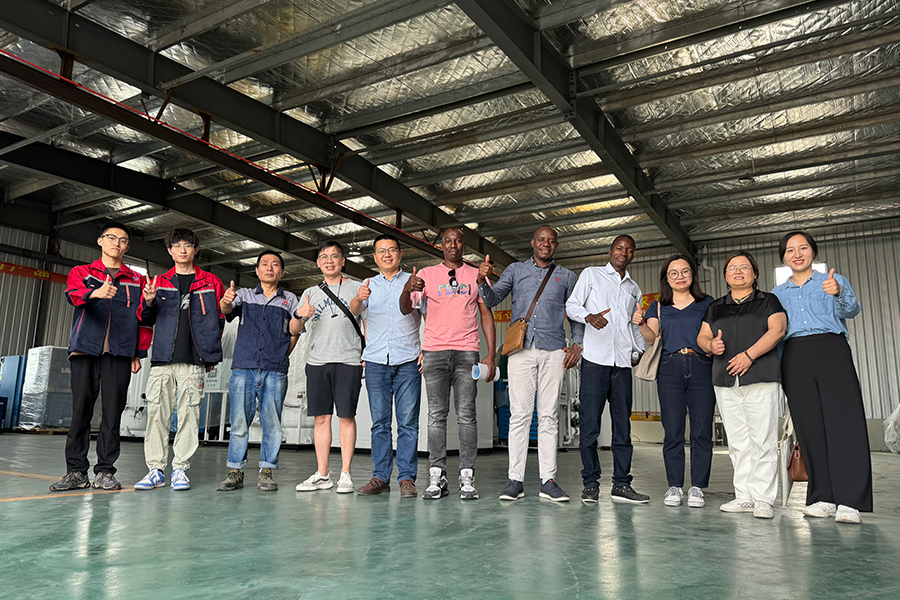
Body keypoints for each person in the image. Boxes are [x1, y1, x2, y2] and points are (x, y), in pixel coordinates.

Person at [477, 226, 583, 502]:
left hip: (554, 351)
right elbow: (491, 299)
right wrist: (481, 280)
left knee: (549, 416)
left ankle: (549, 481)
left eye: (551, 241)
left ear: (556, 245)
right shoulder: (515, 270)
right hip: (520, 350)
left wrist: (577, 344)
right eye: (541, 240)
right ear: (533, 242)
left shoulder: (567, 276)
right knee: (520, 416)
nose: (546, 244)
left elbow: (575, 315)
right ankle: (515, 481)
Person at [772, 231, 871, 524]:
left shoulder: (833, 281)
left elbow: (851, 310)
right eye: (790, 250)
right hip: (795, 355)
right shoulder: (777, 294)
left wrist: (838, 293)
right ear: (784, 258)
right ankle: (822, 497)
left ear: (813, 252)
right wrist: (781, 371)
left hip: (831, 349)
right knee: (809, 427)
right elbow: (778, 333)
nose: (797, 254)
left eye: (803, 248)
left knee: (845, 423)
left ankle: (849, 501)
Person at [50, 222, 152, 492]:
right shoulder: (82, 272)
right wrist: (95, 293)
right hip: (85, 348)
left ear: (127, 247)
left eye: (123, 240)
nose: (117, 243)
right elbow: (73, 295)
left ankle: (105, 471)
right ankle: (76, 471)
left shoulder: (137, 280)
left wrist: (138, 352)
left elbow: (143, 320)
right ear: (100, 241)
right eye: (111, 237)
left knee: (112, 413)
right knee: (80, 411)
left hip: (120, 353)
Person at [399, 227, 496, 500]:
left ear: (464, 245)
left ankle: (467, 476)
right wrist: (407, 288)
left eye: (458, 241)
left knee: (466, 415)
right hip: (434, 352)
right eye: (448, 241)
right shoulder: (427, 275)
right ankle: (437, 476)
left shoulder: (476, 274)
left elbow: (486, 314)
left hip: (467, 352)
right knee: (436, 416)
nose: (453, 245)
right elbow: (406, 308)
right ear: (441, 245)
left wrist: (491, 354)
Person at [134, 228, 226, 492]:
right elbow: (144, 318)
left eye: (188, 245)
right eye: (177, 245)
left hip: (193, 360)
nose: (183, 249)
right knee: (157, 416)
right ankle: (155, 470)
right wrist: (148, 301)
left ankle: (180, 470)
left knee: (189, 415)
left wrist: (210, 353)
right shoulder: (159, 282)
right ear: (170, 250)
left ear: (195, 250)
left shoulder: (211, 282)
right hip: (163, 359)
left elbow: (219, 320)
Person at [697, 250, 786, 519]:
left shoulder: (768, 301)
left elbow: (778, 330)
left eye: (744, 267)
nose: (738, 271)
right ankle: (744, 496)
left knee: (763, 440)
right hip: (725, 380)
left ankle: (763, 499)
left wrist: (749, 355)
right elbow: (702, 337)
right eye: (732, 268)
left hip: (760, 377)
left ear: (754, 274)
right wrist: (710, 345)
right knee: (737, 442)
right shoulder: (716, 307)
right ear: (725, 276)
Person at [566, 234, 649, 504]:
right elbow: (571, 306)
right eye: (619, 248)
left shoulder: (634, 288)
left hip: (622, 364)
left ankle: (622, 485)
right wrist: (589, 317)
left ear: (633, 254)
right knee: (589, 426)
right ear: (610, 250)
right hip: (595, 362)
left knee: (622, 427)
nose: (624, 253)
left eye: (629, 250)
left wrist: (639, 351)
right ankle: (590, 483)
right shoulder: (591, 275)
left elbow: (633, 325)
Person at [633, 254, 714, 508]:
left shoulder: (707, 303)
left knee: (702, 429)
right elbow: (651, 338)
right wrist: (641, 324)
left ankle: (698, 486)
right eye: (673, 273)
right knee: (673, 429)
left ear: (693, 275)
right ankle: (675, 486)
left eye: (685, 271)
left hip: (702, 366)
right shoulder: (658, 306)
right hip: (669, 367)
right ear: (666, 279)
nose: (680, 277)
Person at [216, 251, 299, 492]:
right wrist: (225, 300)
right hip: (244, 367)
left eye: (275, 264)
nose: (269, 268)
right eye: (264, 264)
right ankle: (235, 471)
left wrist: (281, 356)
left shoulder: (290, 300)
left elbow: (294, 332)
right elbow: (226, 310)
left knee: (272, 423)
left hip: (275, 369)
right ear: (257, 270)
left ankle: (266, 471)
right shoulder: (244, 295)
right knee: (239, 421)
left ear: (282, 272)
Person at [350, 234, 423, 498]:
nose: (387, 254)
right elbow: (354, 311)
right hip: (376, 360)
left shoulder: (413, 282)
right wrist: (359, 298)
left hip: (408, 360)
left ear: (400, 254)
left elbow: (428, 315)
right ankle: (380, 477)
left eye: (392, 250)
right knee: (380, 423)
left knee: (408, 423)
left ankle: (406, 479)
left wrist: (426, 349)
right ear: (375, 257)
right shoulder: (368, 284)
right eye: (381, 251)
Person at [291, 241, 364, 494]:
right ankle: (323, 474)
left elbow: (367, 324)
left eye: (334, 256)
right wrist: (300, 314)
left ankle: (345, 474)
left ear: (343, 261)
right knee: (321, 419)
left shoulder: (356, 287)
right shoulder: (310, 292)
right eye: (324, 257)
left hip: (348, 360)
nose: (329, 261)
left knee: (346, 417)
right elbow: (294, 330)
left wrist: (366, 356)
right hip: (317, 362)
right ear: (318, 263)